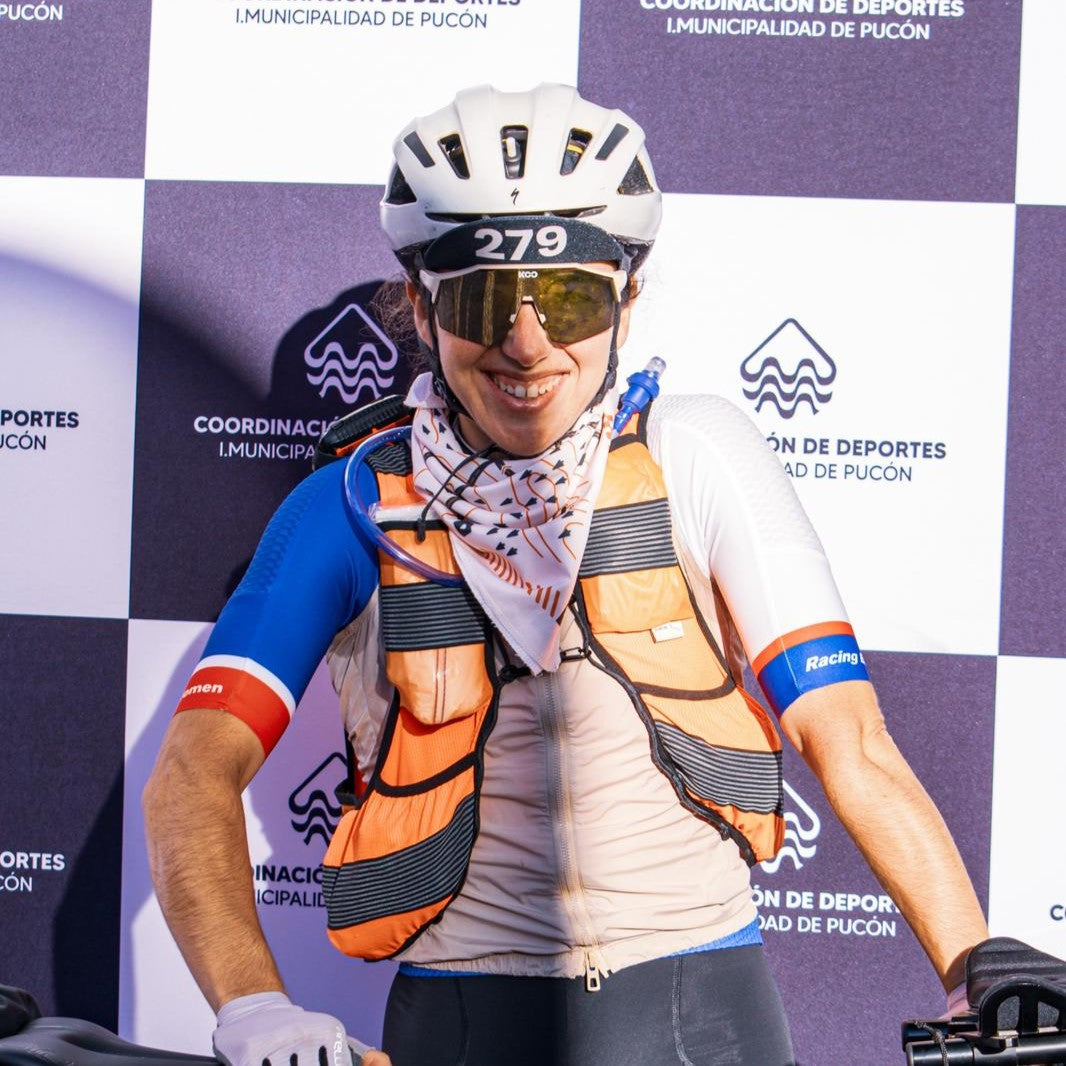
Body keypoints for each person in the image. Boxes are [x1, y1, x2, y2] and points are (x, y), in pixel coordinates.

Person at [142, 84, 989, 1066]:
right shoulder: (347, 505)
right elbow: (194, 772)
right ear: (420, 307)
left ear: (628, 296)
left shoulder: (697, 455)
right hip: (462, 1022)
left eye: (572, 299)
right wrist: (255, 1009)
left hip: (702, 1015)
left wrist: (976, 967)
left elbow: (846, 736)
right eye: (483, 300)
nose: (527, 346)